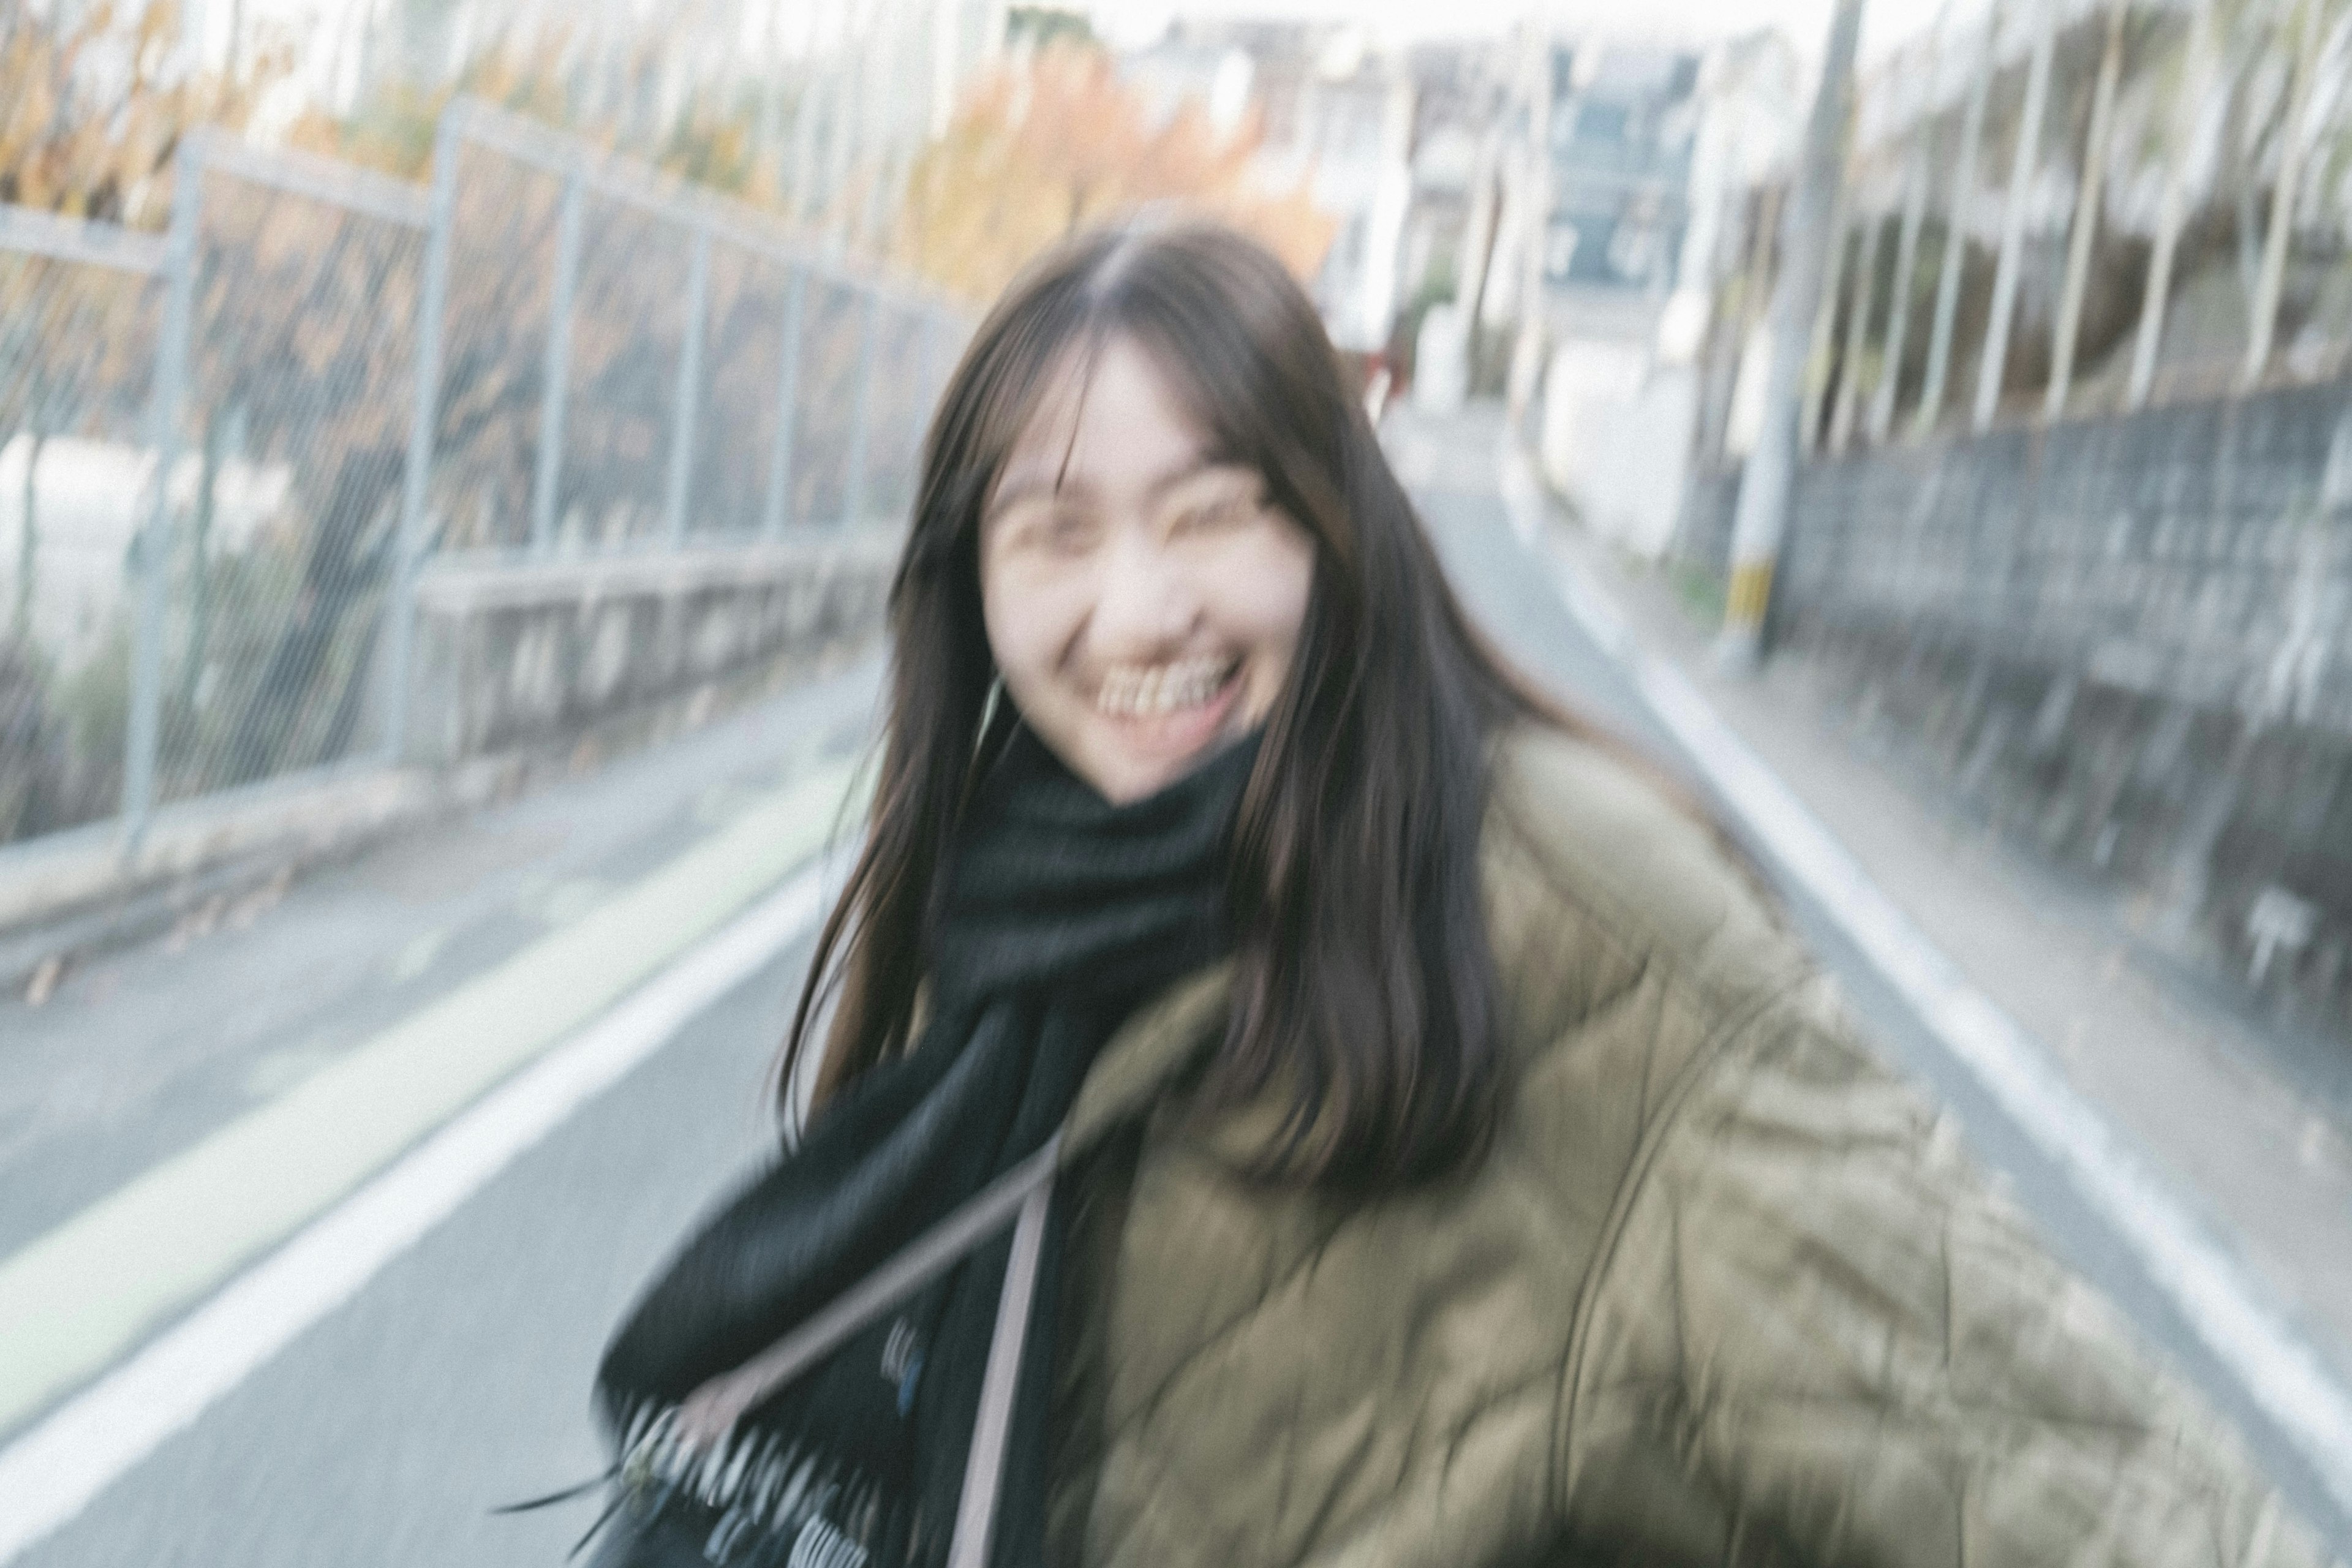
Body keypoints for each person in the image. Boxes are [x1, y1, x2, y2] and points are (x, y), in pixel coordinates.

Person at [589, 222, 2335, 1568]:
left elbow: (2104, 1495)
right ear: (970, 581)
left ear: (1336, 531)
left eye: (1212, 515)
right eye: (1053, 533)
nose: (1134, 615)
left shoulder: (1582, 910)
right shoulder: (1008, 899)